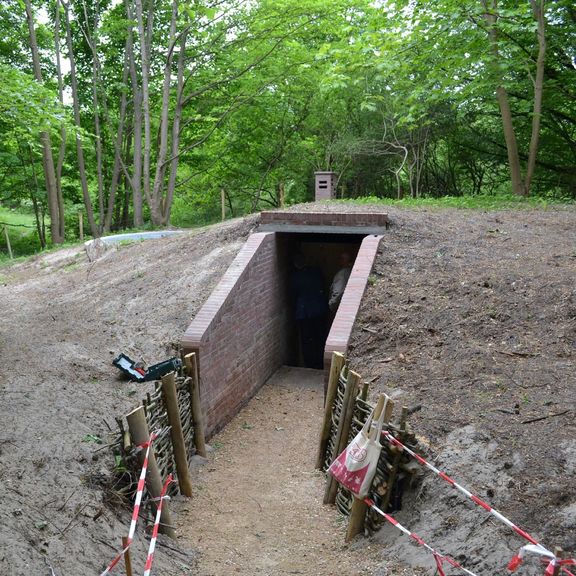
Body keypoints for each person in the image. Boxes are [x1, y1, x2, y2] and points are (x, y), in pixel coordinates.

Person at [290, 253, 328, 369]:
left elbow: (293, 294)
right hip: (319, 310)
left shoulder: (295, 277)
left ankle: (310, 364)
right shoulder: (316, 272)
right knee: (320, 337)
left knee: (307, 340)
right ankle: (321, 363)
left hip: (304, 313)